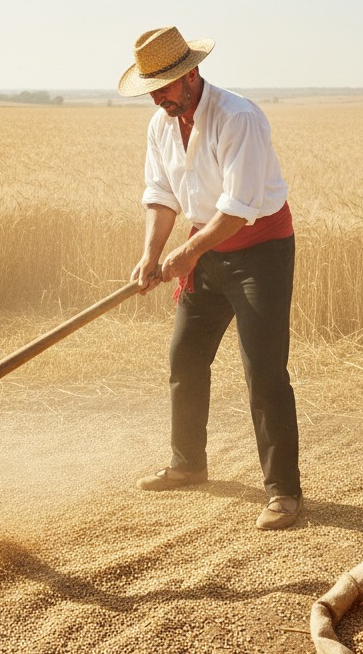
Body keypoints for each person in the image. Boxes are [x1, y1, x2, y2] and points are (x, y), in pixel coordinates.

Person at [119, 26, 303, 531]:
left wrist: (185, 253)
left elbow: (239, 210)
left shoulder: (237, 118)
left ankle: (284, 493)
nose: (158, 98)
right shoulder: (161, 125)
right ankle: (188, 464)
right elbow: (160, 195)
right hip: (206, 251)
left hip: (258, 253)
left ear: (191, 74)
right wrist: (151, 254)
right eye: (151, 89)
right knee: (185, 356)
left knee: (264, 372)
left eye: (165, 86)